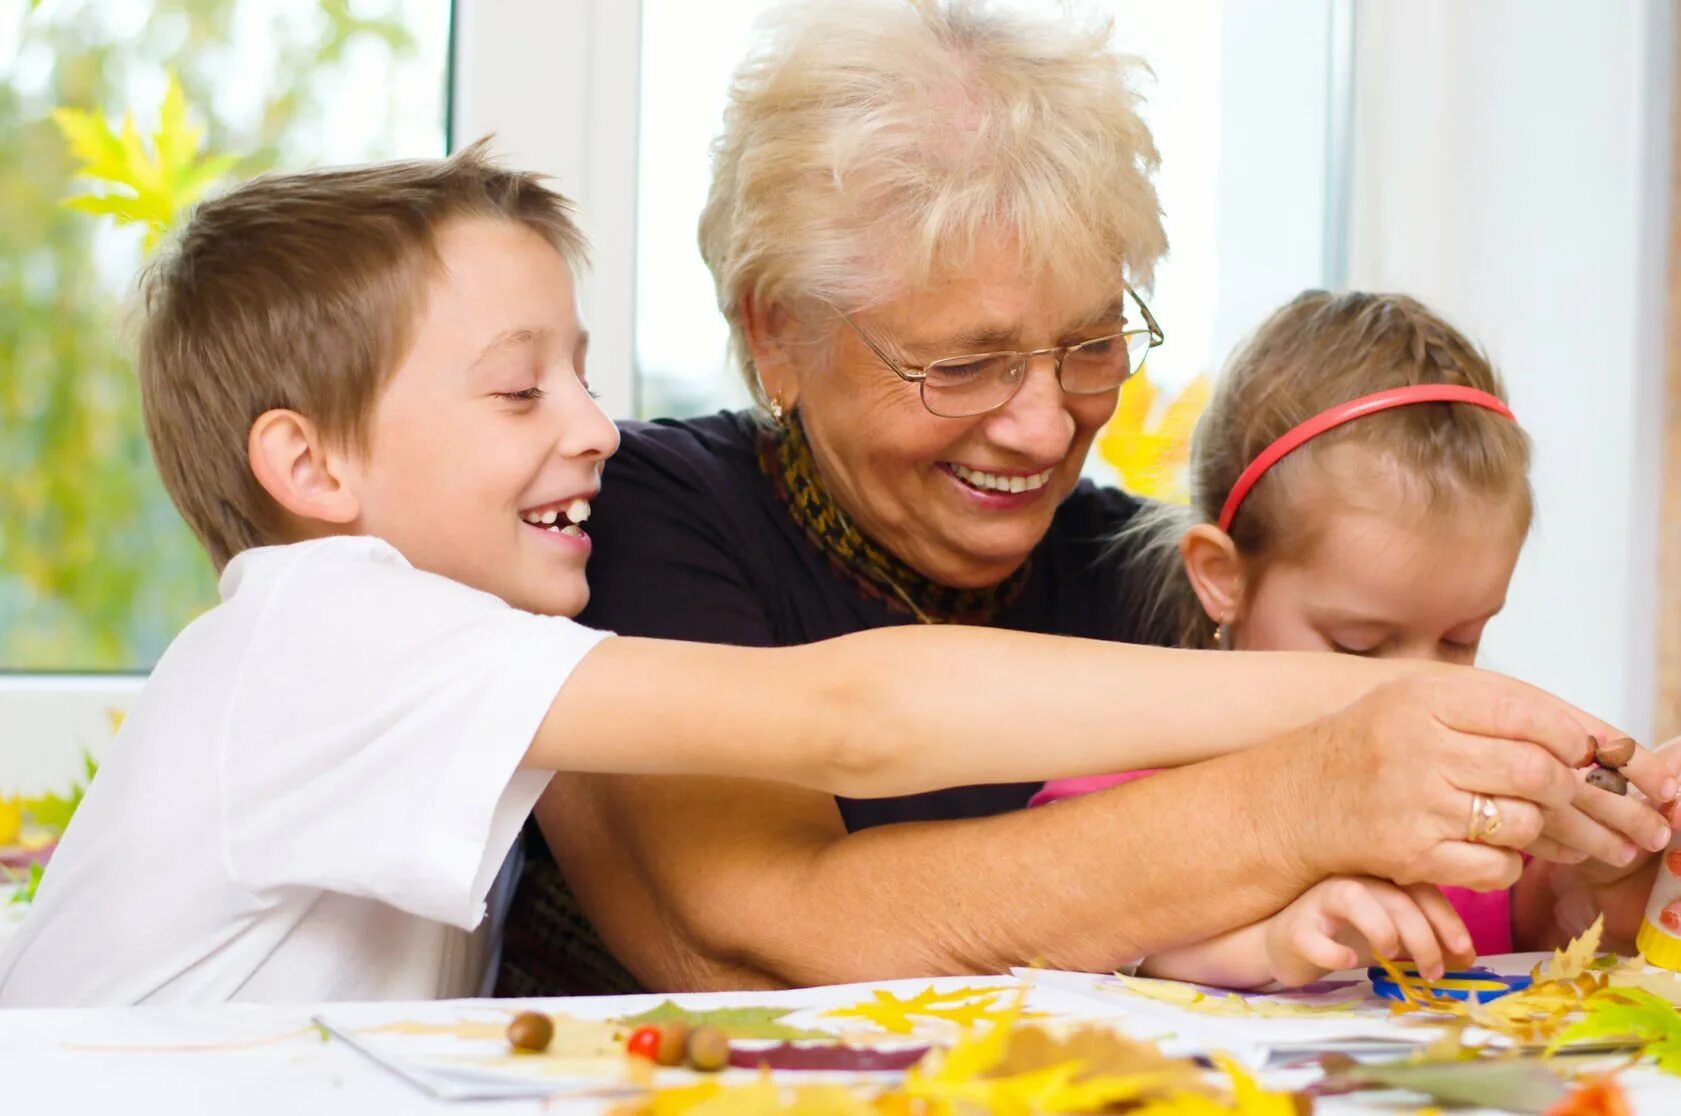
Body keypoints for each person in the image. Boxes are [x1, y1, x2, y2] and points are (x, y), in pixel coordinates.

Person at [1, 146, 1602, 1008]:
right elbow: (853, 716)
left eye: (582, 371)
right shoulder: (329, 627)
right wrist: (1362, 696)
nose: (592, 427)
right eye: (519, 392)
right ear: (312, 470)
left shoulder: (440, 653)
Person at [504, 0, 1676, 995]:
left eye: (1090, 345)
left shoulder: (1145, 573)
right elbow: (767, 931)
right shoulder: (644, 515)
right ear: (778, 332)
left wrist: (1575, 875)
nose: (1043, 422)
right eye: (961, 363)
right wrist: (1305, 798)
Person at [1036, 291, 1676, 987]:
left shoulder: (1479, 796)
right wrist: (1267, 947)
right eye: (1359, 645)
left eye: (1461, 640)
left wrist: (1603, 884)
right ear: (1222, 577)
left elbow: (1522, 929)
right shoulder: (1119, 785)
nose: (1419, 689)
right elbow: (1079, 936)